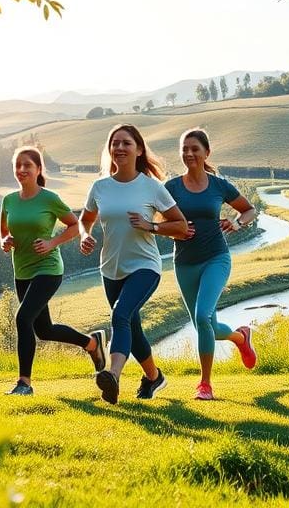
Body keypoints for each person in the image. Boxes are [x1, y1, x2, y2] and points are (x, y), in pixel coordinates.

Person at [79, 124, 188, 404]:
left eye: (126, 143)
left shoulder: (151, 188)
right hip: (110, 269)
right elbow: (86, 218)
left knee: (119, 315)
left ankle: (113, 375)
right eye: (115, 143)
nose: (119, 148)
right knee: (132, 327)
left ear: (139, 150)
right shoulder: (100, 187)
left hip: (145, 266)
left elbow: (181, 226)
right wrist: (85, 236)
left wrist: (151, 225)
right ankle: (154, 377)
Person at [0, 147, 107, 395]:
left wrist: (51, 243)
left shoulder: (49, 199)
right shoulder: (9, 200)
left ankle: (24, 384)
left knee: (22, 318)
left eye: (28, 165)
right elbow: (3, 231)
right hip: (22, 270)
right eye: (18, 165)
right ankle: (91, 343)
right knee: (43, 329)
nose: (22, 170)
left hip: (48, 268)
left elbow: (74, 224)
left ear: (38, 169)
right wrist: (4, 241)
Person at [164, 129, 258, 400]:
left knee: (203, 316)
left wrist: (237, 222)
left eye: (194, 148)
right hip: (184, 263)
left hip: (216, 257)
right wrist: (173, 232)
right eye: (185, 149)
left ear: (207, 152)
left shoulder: (219, 185)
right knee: (205, 326)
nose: (189, 154)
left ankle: (205, 384)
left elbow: (249, 209)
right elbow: (162, 223)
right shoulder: (171, 188)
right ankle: (241, 338)